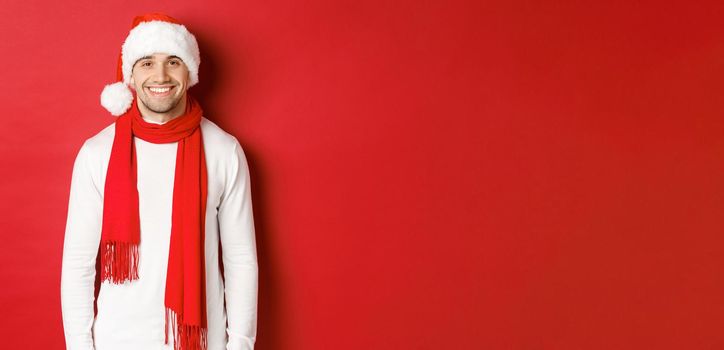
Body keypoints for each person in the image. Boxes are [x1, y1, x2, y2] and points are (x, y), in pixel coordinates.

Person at [60, 13, 258, 350]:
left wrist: (239, 345)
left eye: (173, 61)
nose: (160, 75)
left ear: (190, 71)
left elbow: (240, 259)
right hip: (117, 341)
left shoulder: (224, 150)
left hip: (201, 342)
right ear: (131, 76)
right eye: (147, 63)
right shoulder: (97, 153)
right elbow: (78, 263)